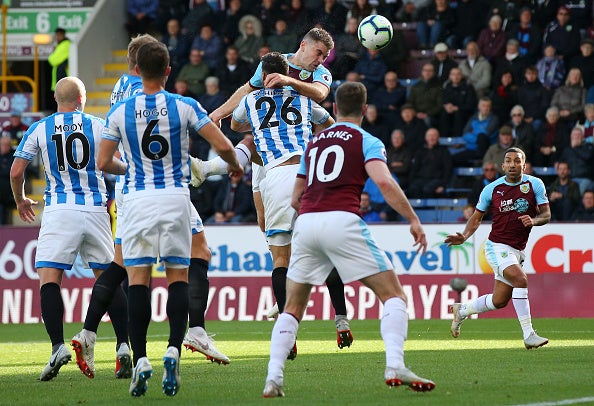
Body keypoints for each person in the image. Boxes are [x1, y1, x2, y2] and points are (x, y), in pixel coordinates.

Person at [262, 82, 435, 398]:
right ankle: (395, 364)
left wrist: (314, 216)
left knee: (292, 308)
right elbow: (383, 180)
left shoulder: (313, 143)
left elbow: (295, 197)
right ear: (365, 111)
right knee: (394, 296)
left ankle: (274, 378)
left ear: (334, 109)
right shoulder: (366, 139)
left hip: (305, 223)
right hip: (342, 218)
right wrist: (412, 218)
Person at [97, 41, 242, 397]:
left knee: (138, 280)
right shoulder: (185, 105)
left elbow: (102, 162)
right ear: (167, 70)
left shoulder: (120, 111)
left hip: (137, 201)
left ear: (135, 70)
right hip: (175, 198)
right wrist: (235, 166)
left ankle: (142, 358)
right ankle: (174, 350)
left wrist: (128, 166)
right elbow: (223, 145)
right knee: (179, 275)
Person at [9, 77, 127, 381]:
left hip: (60, 210)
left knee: (50, 279)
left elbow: (16, 171)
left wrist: (21, 199)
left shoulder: (39, 128)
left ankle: (58, 347)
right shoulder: (99, 125)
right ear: (82, 98)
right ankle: (124, 347)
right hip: (95, 209)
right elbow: (116, 162)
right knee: (108, 278)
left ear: (55, 98)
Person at [446, 147, 550, 349]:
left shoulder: (535, 184)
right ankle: (529, 334)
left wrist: (535, 221)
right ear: (502, 166)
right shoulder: (491, 189)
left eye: (517, 161)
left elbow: (546, 214)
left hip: (517, 250)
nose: (512, 164)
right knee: (520, 280)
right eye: (508, 161)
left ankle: (462, 310)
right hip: (496, 246)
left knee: (500, 300)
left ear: (524, 165)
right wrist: (465, 236)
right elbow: (476, 218)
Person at [453, 97, 499, 167]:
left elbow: (486, 134)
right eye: (484, 105)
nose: (486, 108)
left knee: (482, 136)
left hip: (486, 151)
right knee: (453, 158)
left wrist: (473, 133)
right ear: (479, 107)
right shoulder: (473, 118)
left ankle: (479, 162)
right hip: (472, 149)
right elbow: (465, 134)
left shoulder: (494, 119)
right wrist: (478, 138)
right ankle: (470, 168)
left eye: (488, 106)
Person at [407, 128, 452, 198]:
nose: (431, 138)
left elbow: (448, 170)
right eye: (429, 135)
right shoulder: (420, 151)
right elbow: (414, 169)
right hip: (421, 179)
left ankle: (428, 208)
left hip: (436, 180)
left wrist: (443, 185)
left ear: (438, 138)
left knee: (427, 189)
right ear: (426, 138)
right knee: (413, 188)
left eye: (434, 135)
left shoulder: (444, 151)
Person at [438, 66, 477, 138]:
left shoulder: (468, 87)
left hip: (464, 112)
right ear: (450, 76)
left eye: (458, 74)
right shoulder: (447, 86)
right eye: (453, 74)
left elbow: (471, 105)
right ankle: (444, 139)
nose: (456, 76)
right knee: (444, 114)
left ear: (461, 76)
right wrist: (446, 106)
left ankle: (457, 140)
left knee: (458, 115)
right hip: (450, 111)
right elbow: (444, 100)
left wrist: (457, 108)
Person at [48, 28, 71, 93]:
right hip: (63, 78)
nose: (57, 38)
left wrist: (52, 56)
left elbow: (53, 60)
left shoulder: (65, 44)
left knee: (64, 100)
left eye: (58, 35)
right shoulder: (61, 45)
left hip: (64, 77)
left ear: (62, 35)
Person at [0, 136, 15, 224]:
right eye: (3, 145)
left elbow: (10, 173)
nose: (5, 147)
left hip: (8, 193)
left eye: (7, 145)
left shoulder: (13, 158)